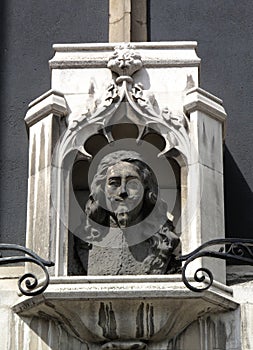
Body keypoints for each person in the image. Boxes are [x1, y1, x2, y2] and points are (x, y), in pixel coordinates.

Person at [82, 150, 180, 275]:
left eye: (132, 184)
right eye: (114, 183)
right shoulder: (85, 243)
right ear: (101, 190)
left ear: (146, 191)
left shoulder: (165, 241)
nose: (123, 191)